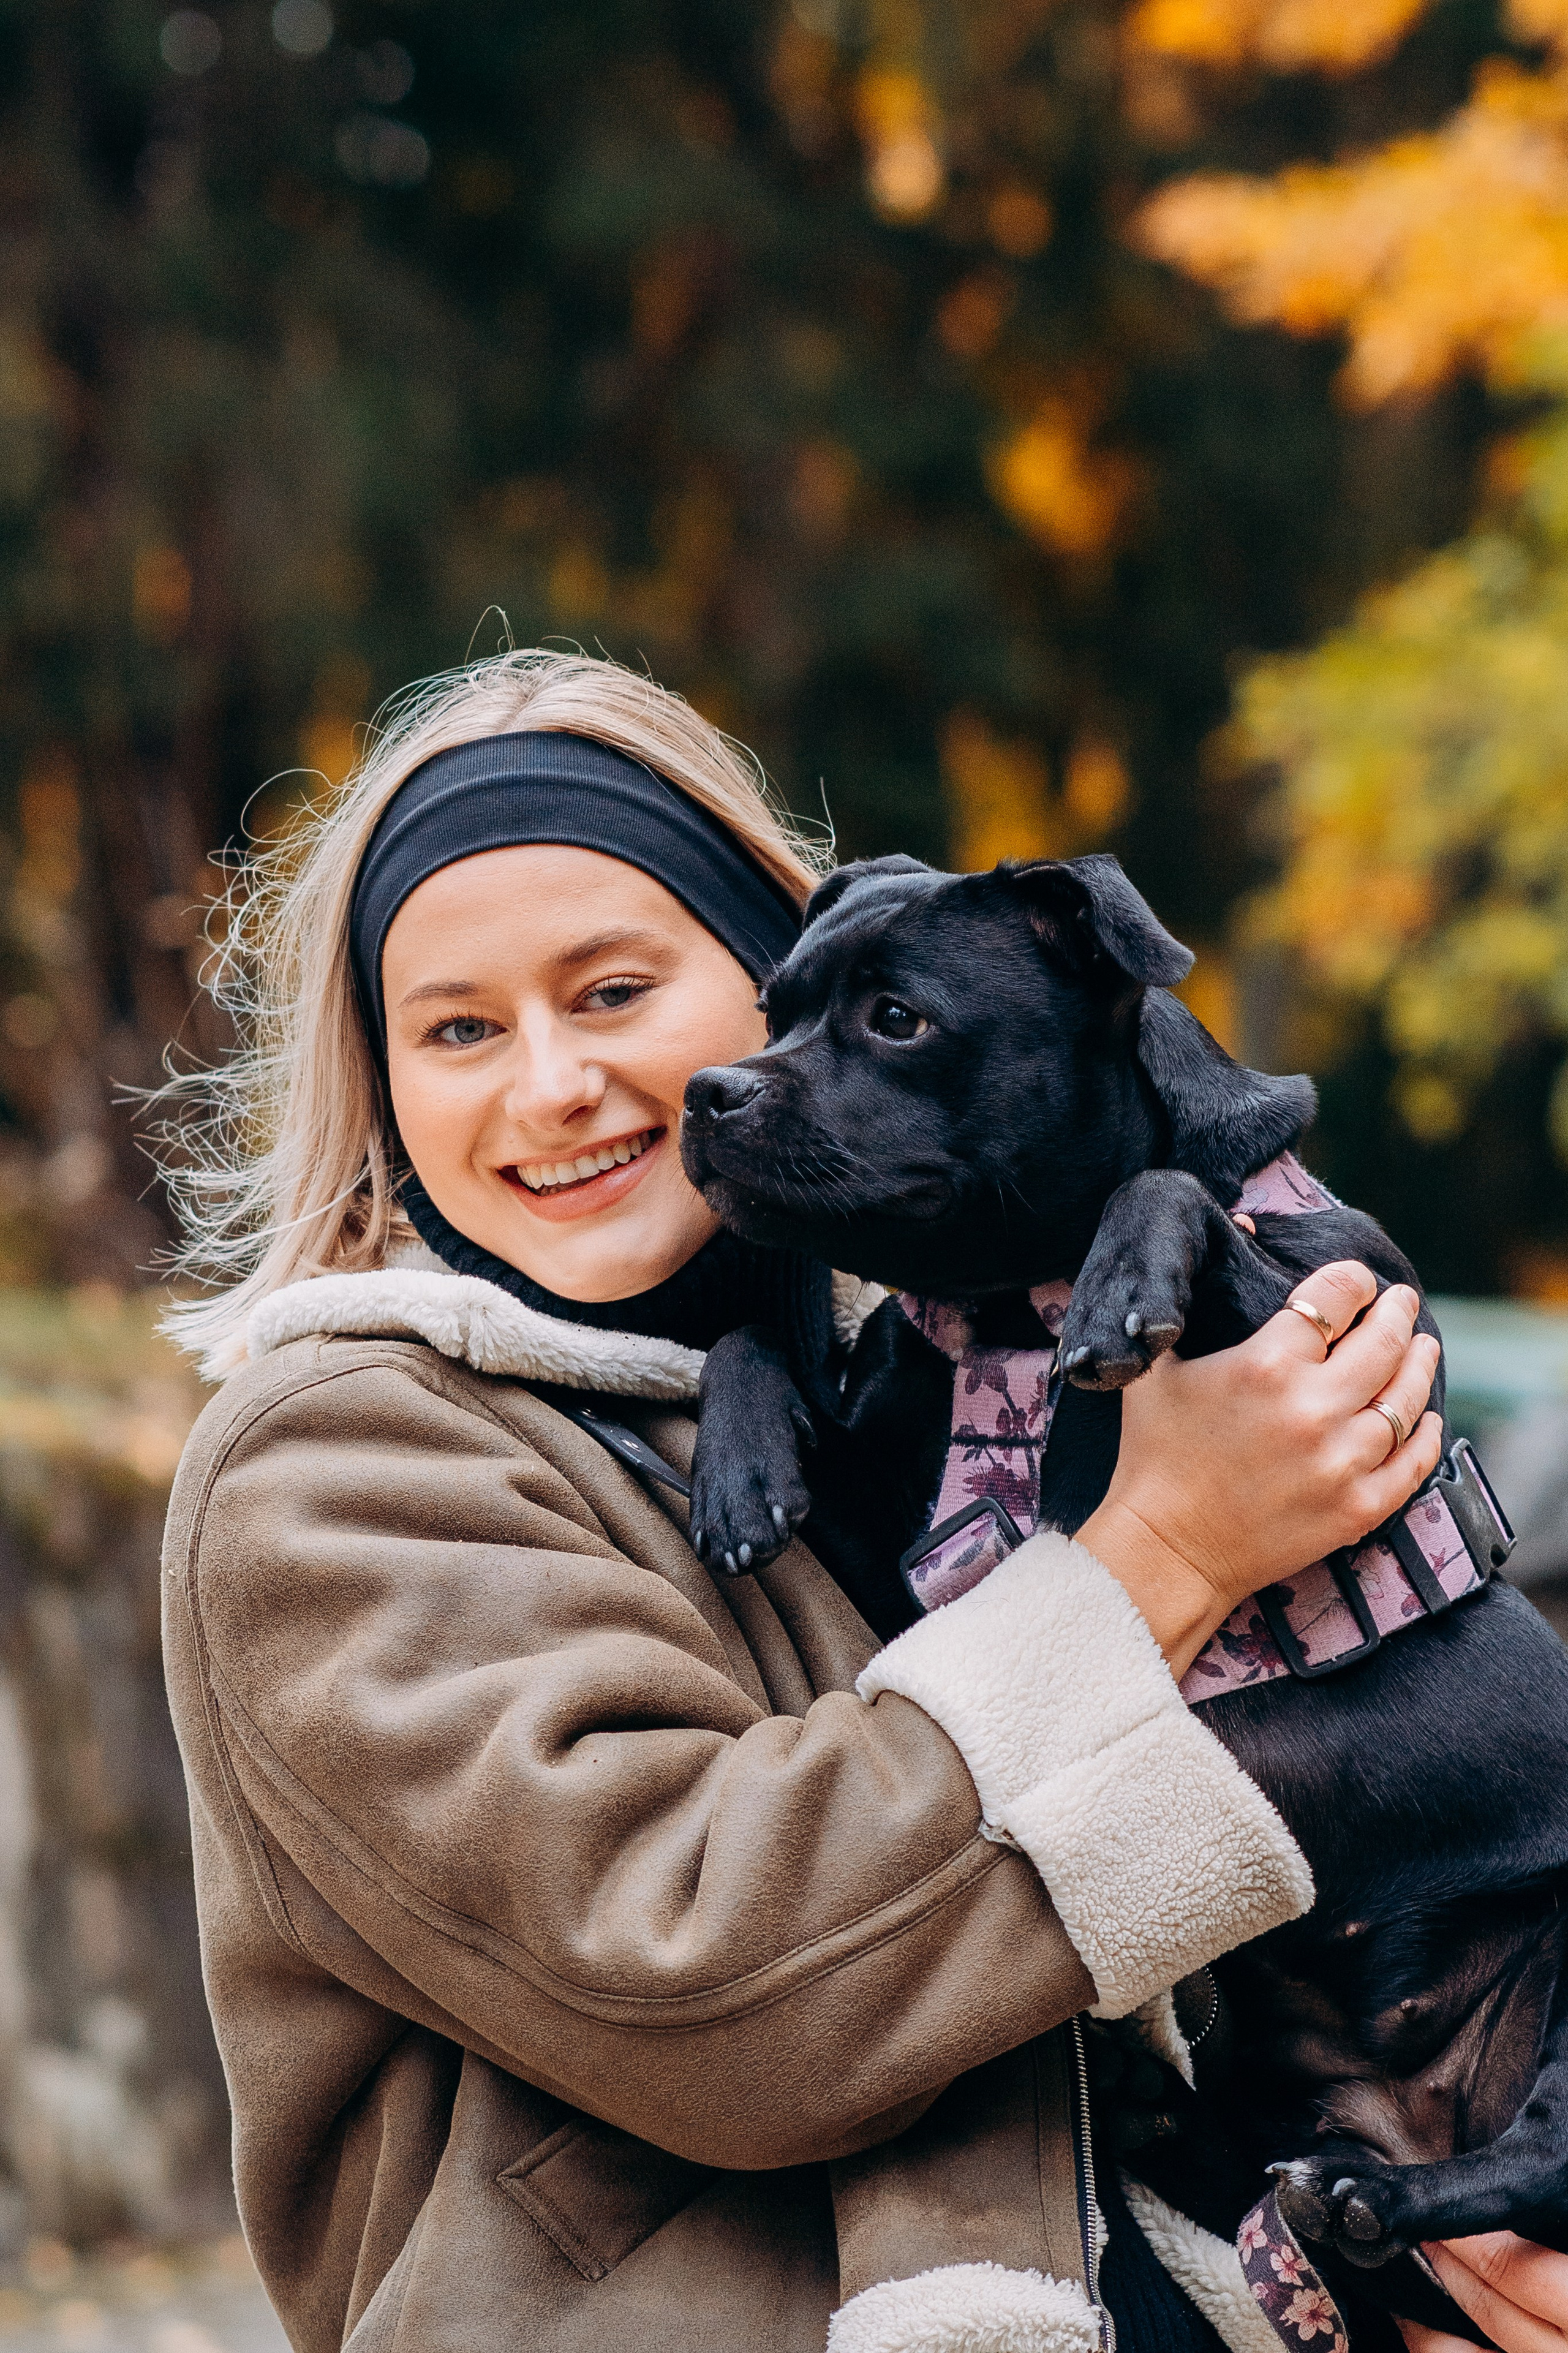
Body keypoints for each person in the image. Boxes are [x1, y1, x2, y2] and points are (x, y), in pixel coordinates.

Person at [157, 649, 1536, 2353]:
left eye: (611, 992)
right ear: (383, 1086)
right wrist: (1167, 1553)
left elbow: (1151, 2052)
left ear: (776, 981)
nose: (551, 1082)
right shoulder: (339, 1468)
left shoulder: (933, 1382)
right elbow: (714, 1993)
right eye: (459, 1028)